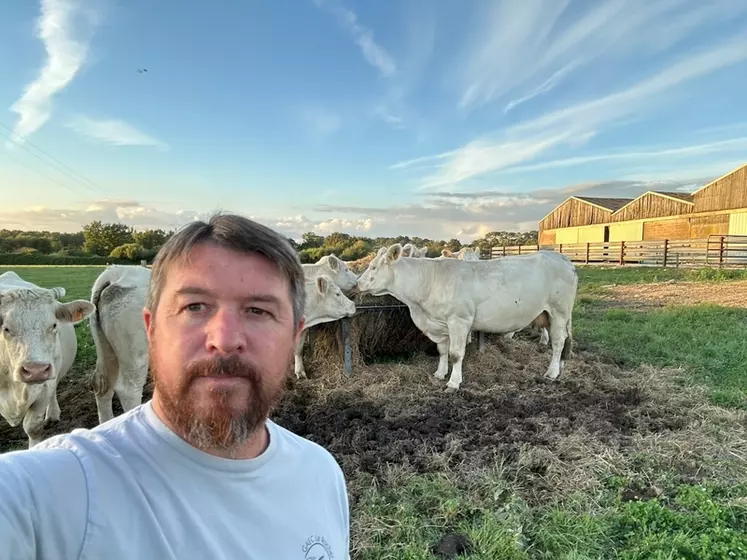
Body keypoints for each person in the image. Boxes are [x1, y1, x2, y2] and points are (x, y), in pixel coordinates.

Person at [0, 212, 350, 559]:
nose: (225, 340)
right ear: (151, 330)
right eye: (194, 306)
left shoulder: (322, 476)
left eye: (258, 310)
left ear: (294, 336)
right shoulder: (52, 490)